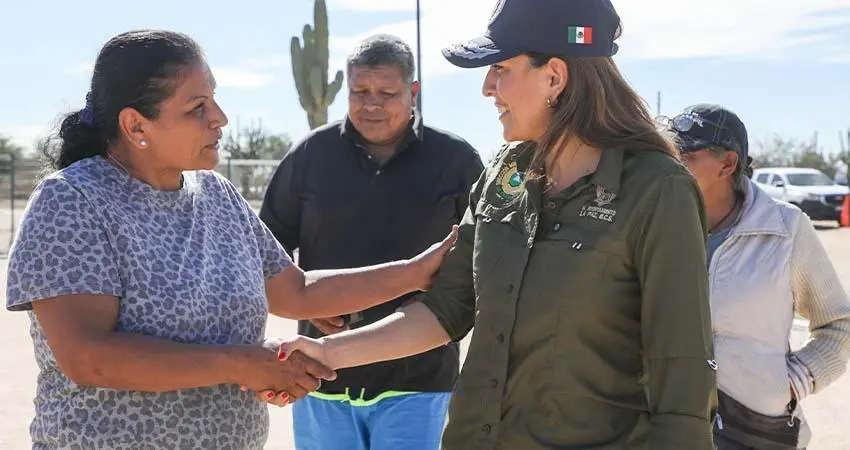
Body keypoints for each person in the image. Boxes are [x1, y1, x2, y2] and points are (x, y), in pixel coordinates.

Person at [263, 1, 719, 448]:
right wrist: (327, 353)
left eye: (500, 67)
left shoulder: (657, 190)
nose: (487, 87)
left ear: (555, 77)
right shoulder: (505, 173)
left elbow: (681, 370)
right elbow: (446, 309)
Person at [5, 29, 457, 450]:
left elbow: (296, 292)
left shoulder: (217, 195)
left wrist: (416, 273)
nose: (219, 118)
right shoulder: (73, 201)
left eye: (214, 100)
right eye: (196, 107)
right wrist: (241, 363)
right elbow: (89, 358)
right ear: (136, 126)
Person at [259, 33, 484, 450]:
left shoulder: (456, 161)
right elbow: (264, 254)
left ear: (413, 91)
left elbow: (481, 260)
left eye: (387, 92)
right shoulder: (309, 156)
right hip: (320, 379)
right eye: (360, 91)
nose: (371, 104)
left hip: (419, 380)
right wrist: (309, 300)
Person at [663, 104, 850, 450]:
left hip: (758, 433)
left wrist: (787, 385)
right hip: (670, 430)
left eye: (684, 156)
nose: (670, 166)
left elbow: (838, 325)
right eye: (667, 155)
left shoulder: (785, 229)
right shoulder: (657, 226)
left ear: (727, 164)